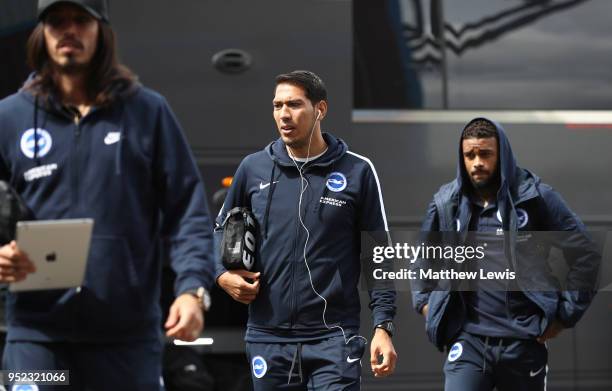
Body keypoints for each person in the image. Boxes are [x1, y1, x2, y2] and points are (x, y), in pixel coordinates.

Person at [0, 0, 215, 389]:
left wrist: (192, 290)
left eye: (81, 20)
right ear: (41, 33)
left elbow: (188, 211)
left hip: (127, 341)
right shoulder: (9, 117)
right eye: (57, 21)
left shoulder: (148, 112)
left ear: (101, 31)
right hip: (35, 336)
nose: (69, 30)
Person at [215, 70, 397, 390]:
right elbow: (219, 230)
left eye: (295, 105)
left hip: (334, 338)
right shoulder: (252, 168)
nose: (284, 114)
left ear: (320, 109)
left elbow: (377, 254)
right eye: (277, 105)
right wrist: (221, 274)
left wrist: (383, 325)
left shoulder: (358, 171)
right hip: (268, 337)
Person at [412, 118, 600, 390]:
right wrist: (428, 306)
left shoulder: (536, 197)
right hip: (468, 343)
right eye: (470, 155)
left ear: (503, 155)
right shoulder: (445, 202)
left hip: (523, 342)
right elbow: (422, 258)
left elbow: (586, 254)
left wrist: (564, 315)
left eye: (485, 154)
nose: (477, 162)